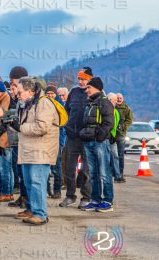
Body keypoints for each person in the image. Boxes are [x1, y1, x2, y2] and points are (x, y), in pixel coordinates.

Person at [12, 77, 59, 225]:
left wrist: (20, 127)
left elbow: (42, 128)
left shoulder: (43, 103)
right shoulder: (29, 104)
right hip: (29, 150)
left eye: (20, 92)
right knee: (29, 182)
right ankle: (32, 210)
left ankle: (40, 214)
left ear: (30, 91)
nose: (17, 95)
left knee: (37, 182)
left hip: (40, 151)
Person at [79, 77, 115, 212]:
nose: (86, 90)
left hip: (99, 142)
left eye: (89, 87)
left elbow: (109, 123)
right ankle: (95, 200)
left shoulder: (104, 103)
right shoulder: (89, 103)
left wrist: (99, 136)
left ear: (96, 88)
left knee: (104, 172)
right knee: (93, 173)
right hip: (88, 142)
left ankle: (107, 200)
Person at [60, 67, 93, 209]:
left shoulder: (94, 93)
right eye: (79, 79)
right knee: (68, 167)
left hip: (86, 138)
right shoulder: (73, 92)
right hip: (72, 136)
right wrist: (66, 126)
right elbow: (65, 111)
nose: (80, 81)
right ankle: (70, 195)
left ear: (90, 79)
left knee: (86, 169)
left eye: (83, 79)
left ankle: (86, 197)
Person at [7, 66, 29, 208]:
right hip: (17, 138)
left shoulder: (27, 98)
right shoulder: (16, 98)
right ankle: (22, 196)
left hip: (26, 139)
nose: (12, 87)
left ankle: (28, 200)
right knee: (19, 171)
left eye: (14, 83)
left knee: (26, 173)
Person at [44, 85, 66, 199]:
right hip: (45, 140)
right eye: (48, 94)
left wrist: (61, 141)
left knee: (57, 166)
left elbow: (63, 125)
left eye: (52, 93)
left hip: (57, 139)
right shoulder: (43, 104)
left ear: (55, 94)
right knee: (45, 166)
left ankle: (57, 190)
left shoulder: (60, 105)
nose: (50, 95)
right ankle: (47, 189)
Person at [115, 93, 133, 183]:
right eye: (117, 98)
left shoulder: (126, 108)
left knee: (120, 155)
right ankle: (114, 173)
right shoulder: (112, 107)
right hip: (112, 135)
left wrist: (123, 126)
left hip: (121, 135)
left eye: (120, 98)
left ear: (123, 99)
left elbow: (130, 120)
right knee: (112, 155)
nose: (119, 99)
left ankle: (120, 173)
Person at [107, 93, 122, 183]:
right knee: (106, 158)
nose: (116, 102)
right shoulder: (104, 110)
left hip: (113, 138)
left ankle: (117, 175)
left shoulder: (116, 111)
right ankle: (108, 175)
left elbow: (116, 125)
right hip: (105, 137)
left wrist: (115, 136)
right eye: (114, 100)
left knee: (115, 156)